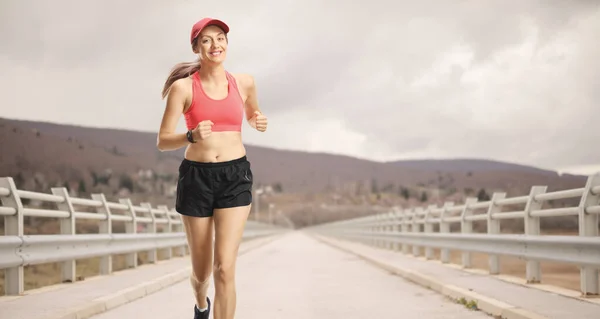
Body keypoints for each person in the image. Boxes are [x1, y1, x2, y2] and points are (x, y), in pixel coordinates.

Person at [156, 17, 268, 319]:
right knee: (203, 273)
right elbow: (163, 141)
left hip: (235, 177)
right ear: (197, 47)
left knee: (224, 268)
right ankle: (201, 304)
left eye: (220, 38)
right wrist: (189, 135)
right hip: (197, 179)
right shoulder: (183, 88)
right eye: (206, 40)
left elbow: (252, 113)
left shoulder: (244, 82)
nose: (215, 44)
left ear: (227, 44)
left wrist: (258, 121)